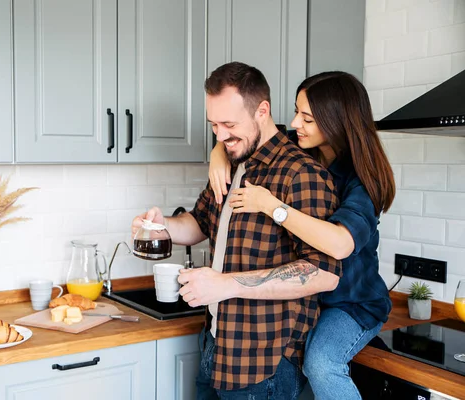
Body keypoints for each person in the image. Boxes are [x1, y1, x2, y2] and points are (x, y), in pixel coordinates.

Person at [131, 62, 342, 399]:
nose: (220, 136)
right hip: (216, 345)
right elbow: (199, 223)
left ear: (262, 110)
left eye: (229, 124)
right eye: (214, 124)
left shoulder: (301, 174)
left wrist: (225, 284)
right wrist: (162, 225)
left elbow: (322, 274)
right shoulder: (232, 160)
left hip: (264, 361)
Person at [208, 71, 395, 399]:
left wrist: (272, 206)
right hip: (306, 300)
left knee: (321, 363)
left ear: (336, 121)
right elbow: (246, 134)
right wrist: (218, 155)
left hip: (348, 303)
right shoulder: (300, 148)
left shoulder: (362, 181)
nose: (295, 122)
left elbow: (340, 243)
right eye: (297, 111)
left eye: (307, 117)